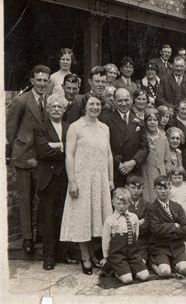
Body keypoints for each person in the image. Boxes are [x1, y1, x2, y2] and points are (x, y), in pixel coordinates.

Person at [60, 93, 114, 275]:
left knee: (95, 218)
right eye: (91, 104)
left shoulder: (104, 128)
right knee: (83, 219)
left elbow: (109, 155)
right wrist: (72, 180)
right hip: (82, 179)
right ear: (85, 106)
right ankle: (84, 257)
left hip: (100, 179)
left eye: (98, 104)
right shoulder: (76, 127)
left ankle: (92, 254)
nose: (95, 107)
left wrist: (111, 179)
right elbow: (69, 155)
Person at [7, 65, 50, 254]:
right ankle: (27, 238)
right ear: (32, 81)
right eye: (38, 80)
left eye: (45, 81)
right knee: (26, 200)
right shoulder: (22, 101)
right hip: (25, 157)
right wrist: (15, 155)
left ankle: (40, 233)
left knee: (43, 198)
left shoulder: (50, 101)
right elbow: (10, 131)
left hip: (42, 159)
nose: (41, 84)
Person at [33, 94, 77, 269]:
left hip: (66, 178)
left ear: (64, 109)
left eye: (60, 106)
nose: (57, 109)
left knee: (64, 216)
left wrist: (56, 145)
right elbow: (43, 151)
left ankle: (63, 254)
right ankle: (49, 257)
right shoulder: (39, 128)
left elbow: (75, 150)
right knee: (48, 218)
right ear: (48, 109)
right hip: (48, 179)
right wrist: (63, 148)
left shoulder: (70, 127)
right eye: (53, 107)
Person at [102, 88, 149, 188]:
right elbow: (104, 146)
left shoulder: (139, 121)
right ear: (114, 101)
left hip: (133, 170)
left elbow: (145, 147)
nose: (123, 104)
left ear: (131, 100)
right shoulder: (106, 120)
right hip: (114, 170)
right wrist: (118, 164)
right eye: (120, 100)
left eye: (126, 100)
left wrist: (133, 162)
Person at [101, 188, 149, 283]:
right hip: (117, 255)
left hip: (132, 254)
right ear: (113, 202)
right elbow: (106, 240)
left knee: (145, 276)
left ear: (129, 203)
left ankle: (129, 267)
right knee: (127, 279)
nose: (121, 207)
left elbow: (136, 233)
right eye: (118, 204)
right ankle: (114, 268)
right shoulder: (110, 220)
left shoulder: (133, 217)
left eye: (125, 204)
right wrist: (105, 257)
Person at [146, 176, 186, 277]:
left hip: (176, 246)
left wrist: (167, 233)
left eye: (165, 188)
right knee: (165, 272)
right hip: (160, 247)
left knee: (184, 269)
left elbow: (185, 229)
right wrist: (174, 225)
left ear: (170, 188)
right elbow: (155, 229)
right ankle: (153, 264)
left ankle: (173, 265)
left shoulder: (177, 207)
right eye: (159, 188)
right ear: (154, 189)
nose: (163, 191)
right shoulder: (151, 208)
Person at [141, 108, 171, 202]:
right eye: (149, 120)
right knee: (148, 198)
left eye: (155, 120)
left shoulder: (163, 138)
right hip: (146, 171)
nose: (152, 123)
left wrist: (167, 174)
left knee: (160, 196)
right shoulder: (142, 136)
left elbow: (167, 159)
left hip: (160, 172)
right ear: (145, 122)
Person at [125, 175, 149, 264]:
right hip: (126, 242)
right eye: (133, 187)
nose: (136, 190)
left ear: (143, 188)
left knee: (141, 263)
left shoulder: (146, 204)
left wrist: (135, 225)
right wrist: (140, 222)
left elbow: (147, 226)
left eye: (139, 188)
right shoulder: (123, 204)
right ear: (127, 188)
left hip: (142, 243)